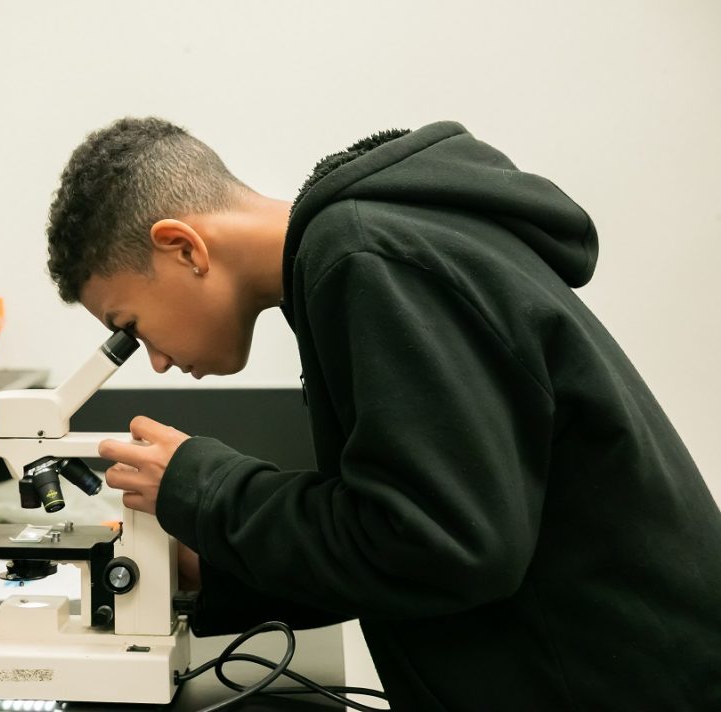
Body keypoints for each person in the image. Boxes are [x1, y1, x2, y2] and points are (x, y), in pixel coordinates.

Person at [44, 118, 721, 710]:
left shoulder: (361, 256)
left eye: (131, 325)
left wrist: (205, 487)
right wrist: (216, 566)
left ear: (184, 247)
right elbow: (394, 544)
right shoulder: (365, 251)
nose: (155, 361)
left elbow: (442, 545)